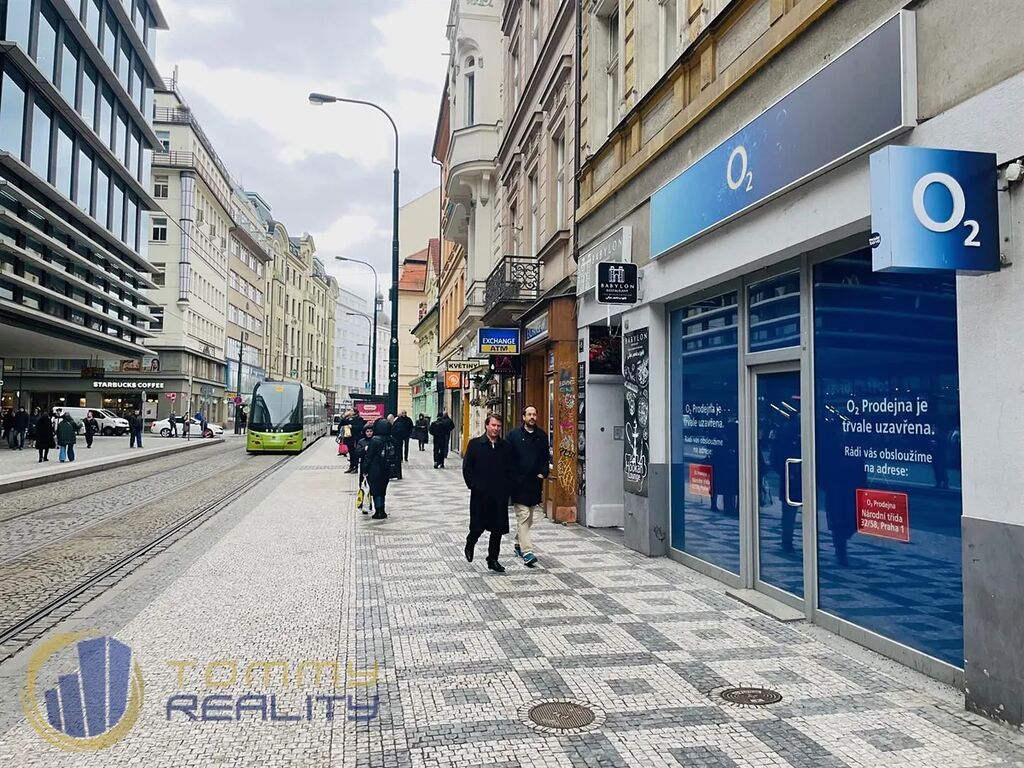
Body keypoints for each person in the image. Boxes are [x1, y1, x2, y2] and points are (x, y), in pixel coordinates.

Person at [462, 413, 516, 572]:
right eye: (493, 425)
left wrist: (508, 488)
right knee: (478, 526)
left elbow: (511, 469)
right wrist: (473, 485)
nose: (496, 428)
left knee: (497, 529)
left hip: (499, 495)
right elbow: (467, 467)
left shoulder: (506, 447)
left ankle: (493, 559)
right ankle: (470, 542)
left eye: (498, 426)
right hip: (480, 494)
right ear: (486, 425)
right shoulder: (475, 444)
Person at [507, 406, 549, 567]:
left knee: (530, 518)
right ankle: (527, 552)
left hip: (534, 484)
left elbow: (545, 457)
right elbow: (507, 457)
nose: (532, 417)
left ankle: (518, 543)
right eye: (529, 414)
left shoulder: (542, 436)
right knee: (524, 515)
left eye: (534, 414)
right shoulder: (513, 435)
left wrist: (543, 473)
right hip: (518, 484)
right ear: (523, 417)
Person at [362, 417, 397, 520]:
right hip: (386, 469)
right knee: (382, 490)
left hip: (375, 469)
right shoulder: (391, 439)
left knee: (376, 491)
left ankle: (378, 511)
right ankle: (382, 510)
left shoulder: (375, 440)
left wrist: (364, 470)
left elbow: (368, 457)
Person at [354, 424, 375, 515]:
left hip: (373, 466)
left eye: (371, 431)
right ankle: (364, 505)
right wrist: (364, 449)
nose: (369, 433)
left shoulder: (375, 441)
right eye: (367, 431)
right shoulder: (361, 441)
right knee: (363, 486)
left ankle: (371, 504)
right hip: (364, 466)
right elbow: (357, 453)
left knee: (372, 486)